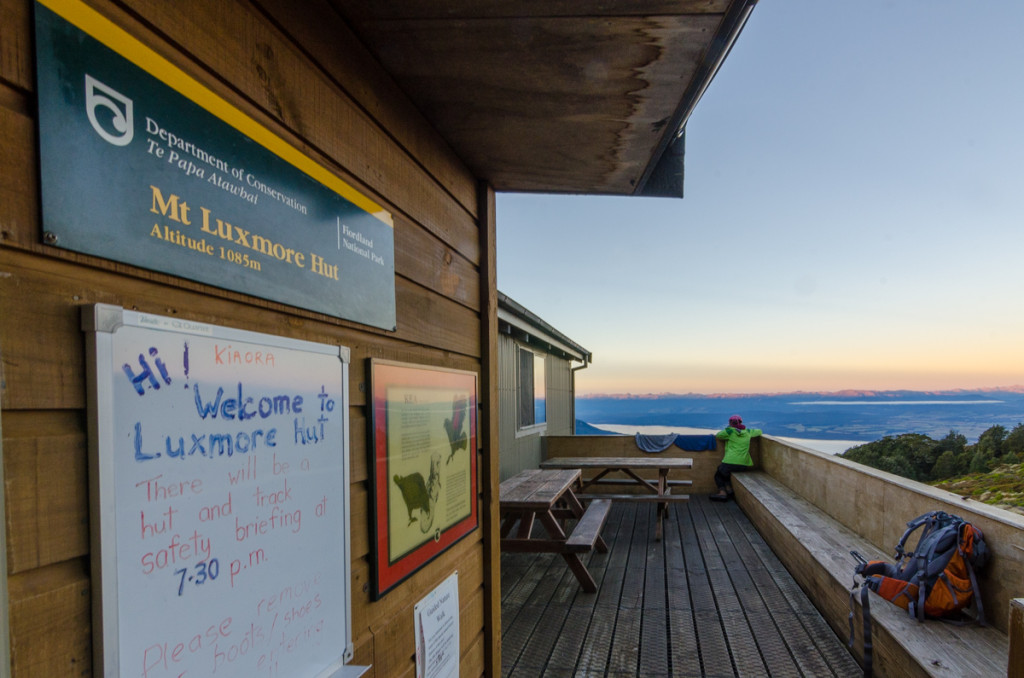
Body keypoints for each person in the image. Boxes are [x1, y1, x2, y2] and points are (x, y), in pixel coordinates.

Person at [710, 415, 762, 501]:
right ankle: (729, 490)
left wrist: (729, 428)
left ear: (730, 423)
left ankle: (722, 493)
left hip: (730, 462)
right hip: (743, 464)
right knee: (725, 473)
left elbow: (719, 435)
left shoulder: (730, 431)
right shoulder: (748, 432)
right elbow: (759, 431)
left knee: (718, 474)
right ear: (741, 422)